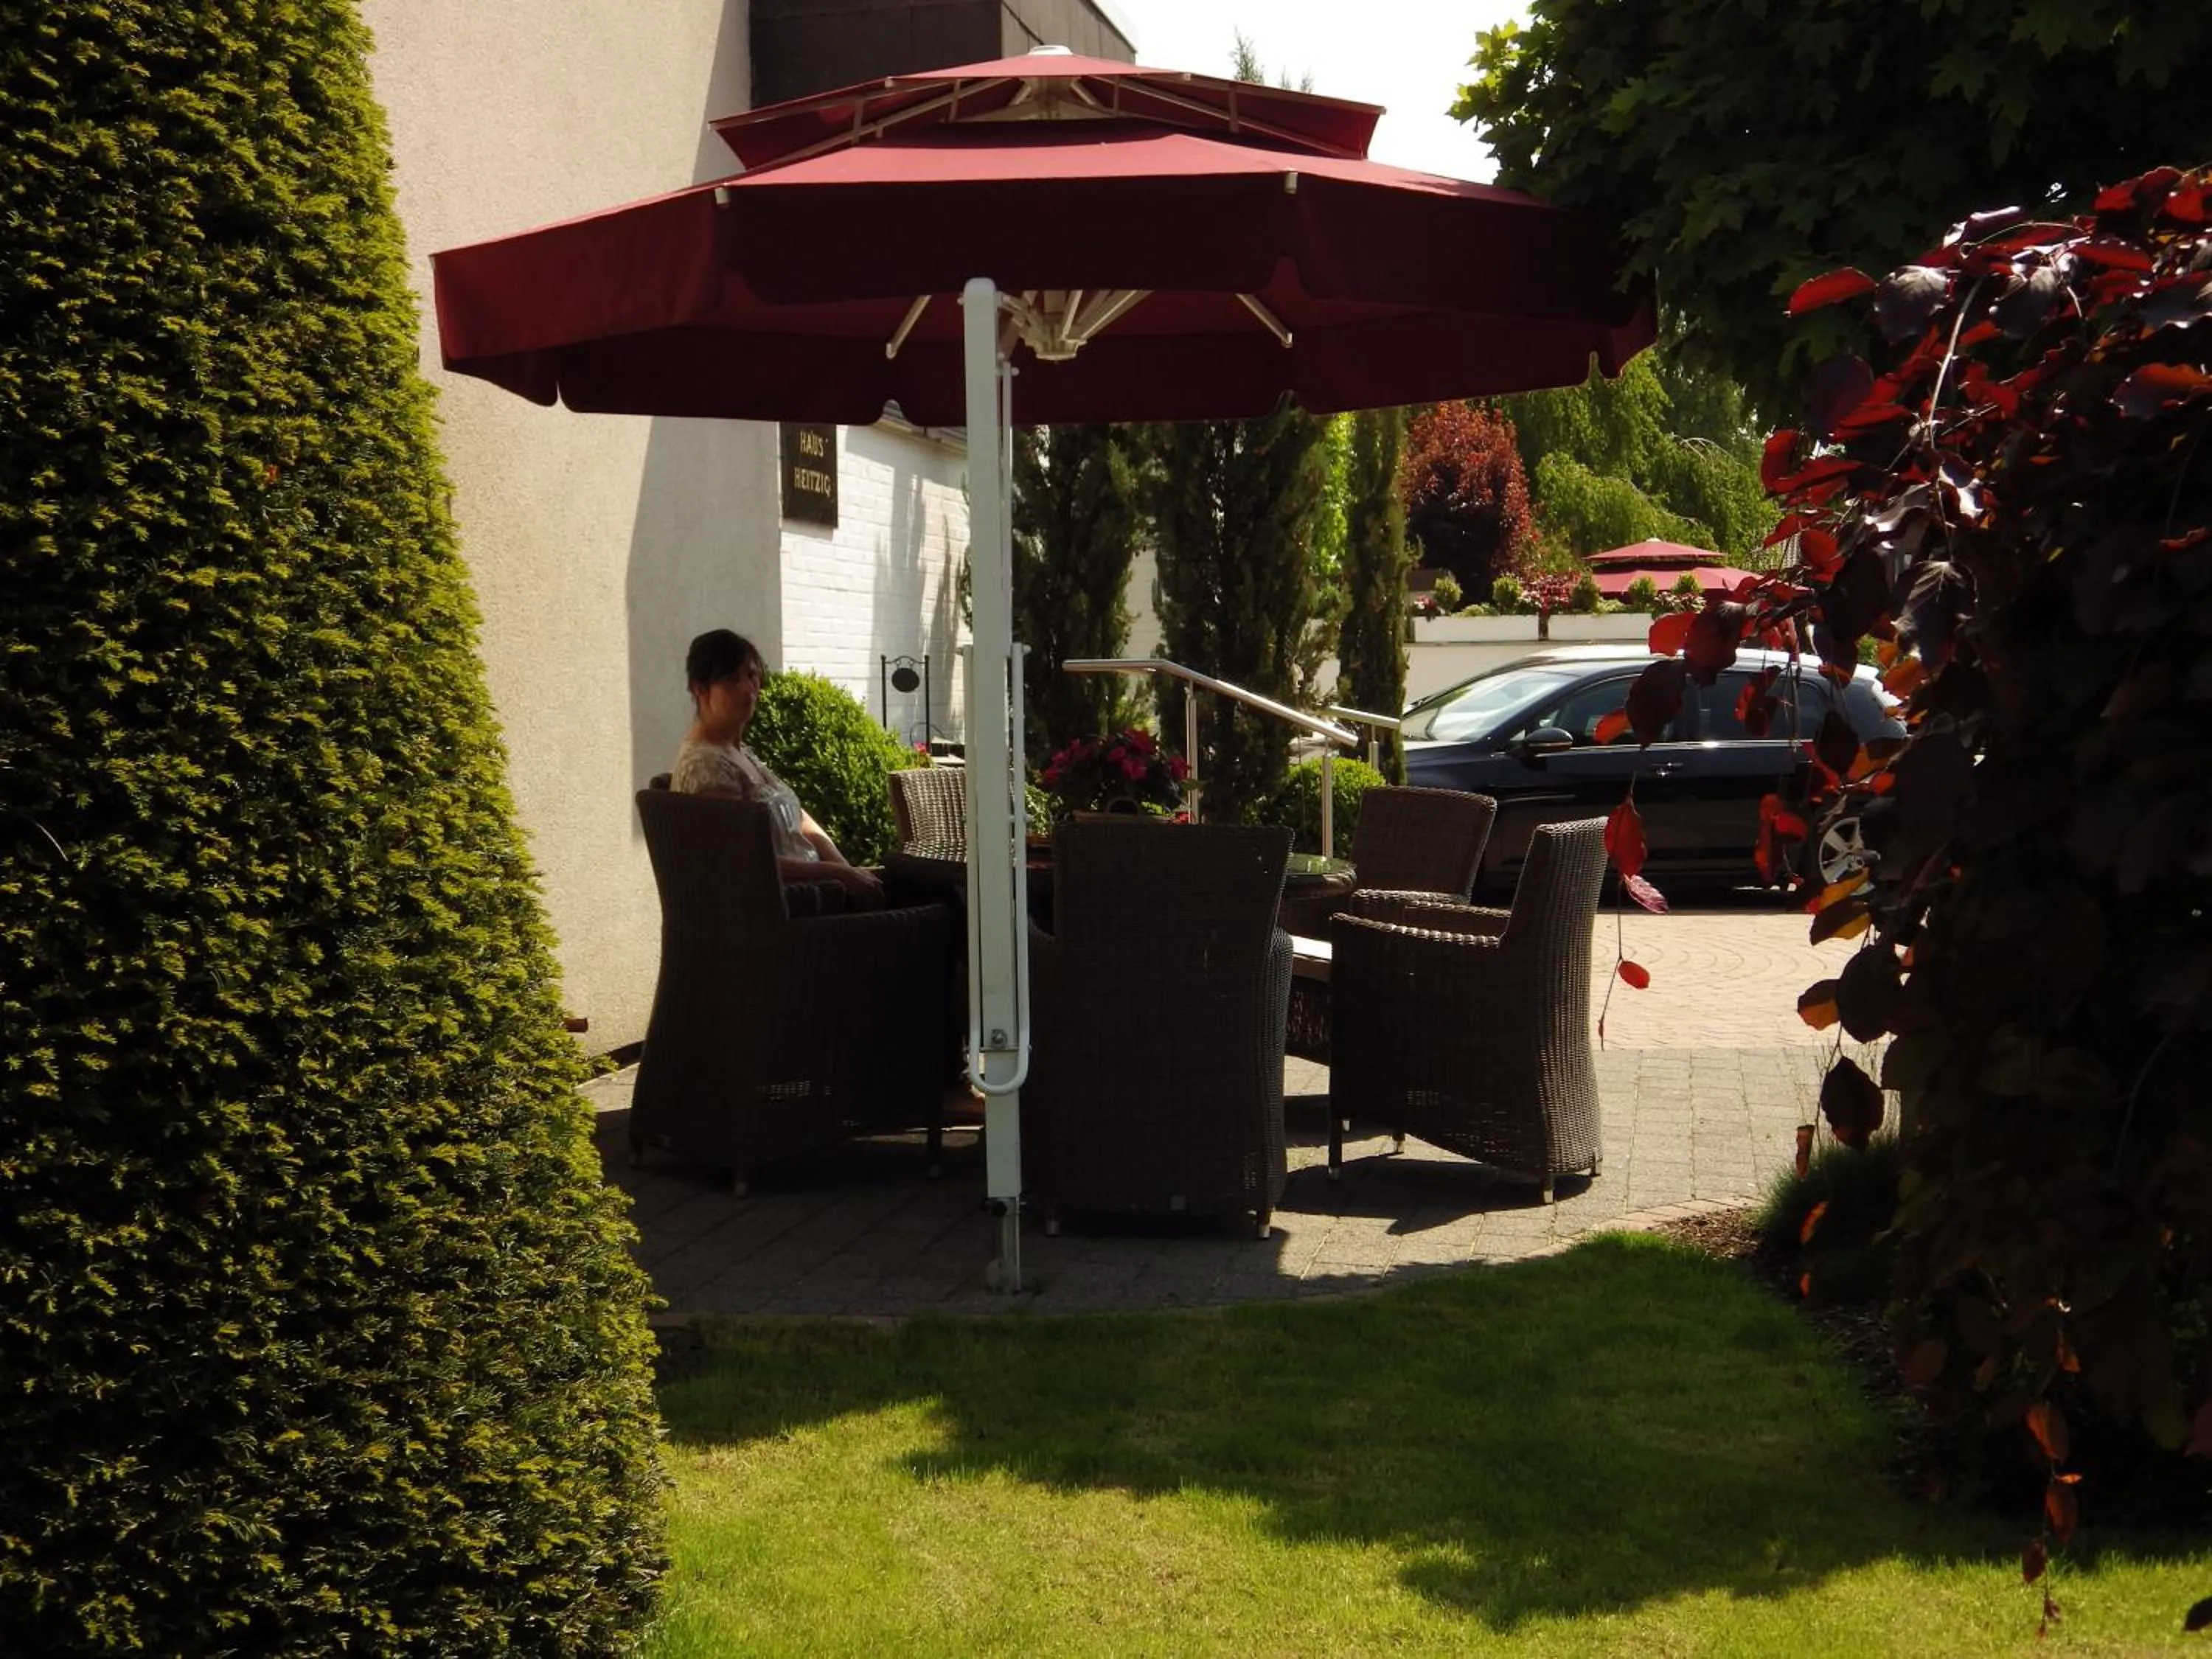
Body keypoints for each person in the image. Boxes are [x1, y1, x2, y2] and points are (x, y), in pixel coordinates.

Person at [670, 629, 886, 909]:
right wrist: (839, 874)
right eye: (731, 679)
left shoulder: (739, 751)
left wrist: (845, 867)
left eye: (751, 675)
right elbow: (744, 860)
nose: (748, 689)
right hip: (783, 912)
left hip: (822, 892)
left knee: (929, 885)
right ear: (699, 689)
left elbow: (799, 818)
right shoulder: (705, 766)